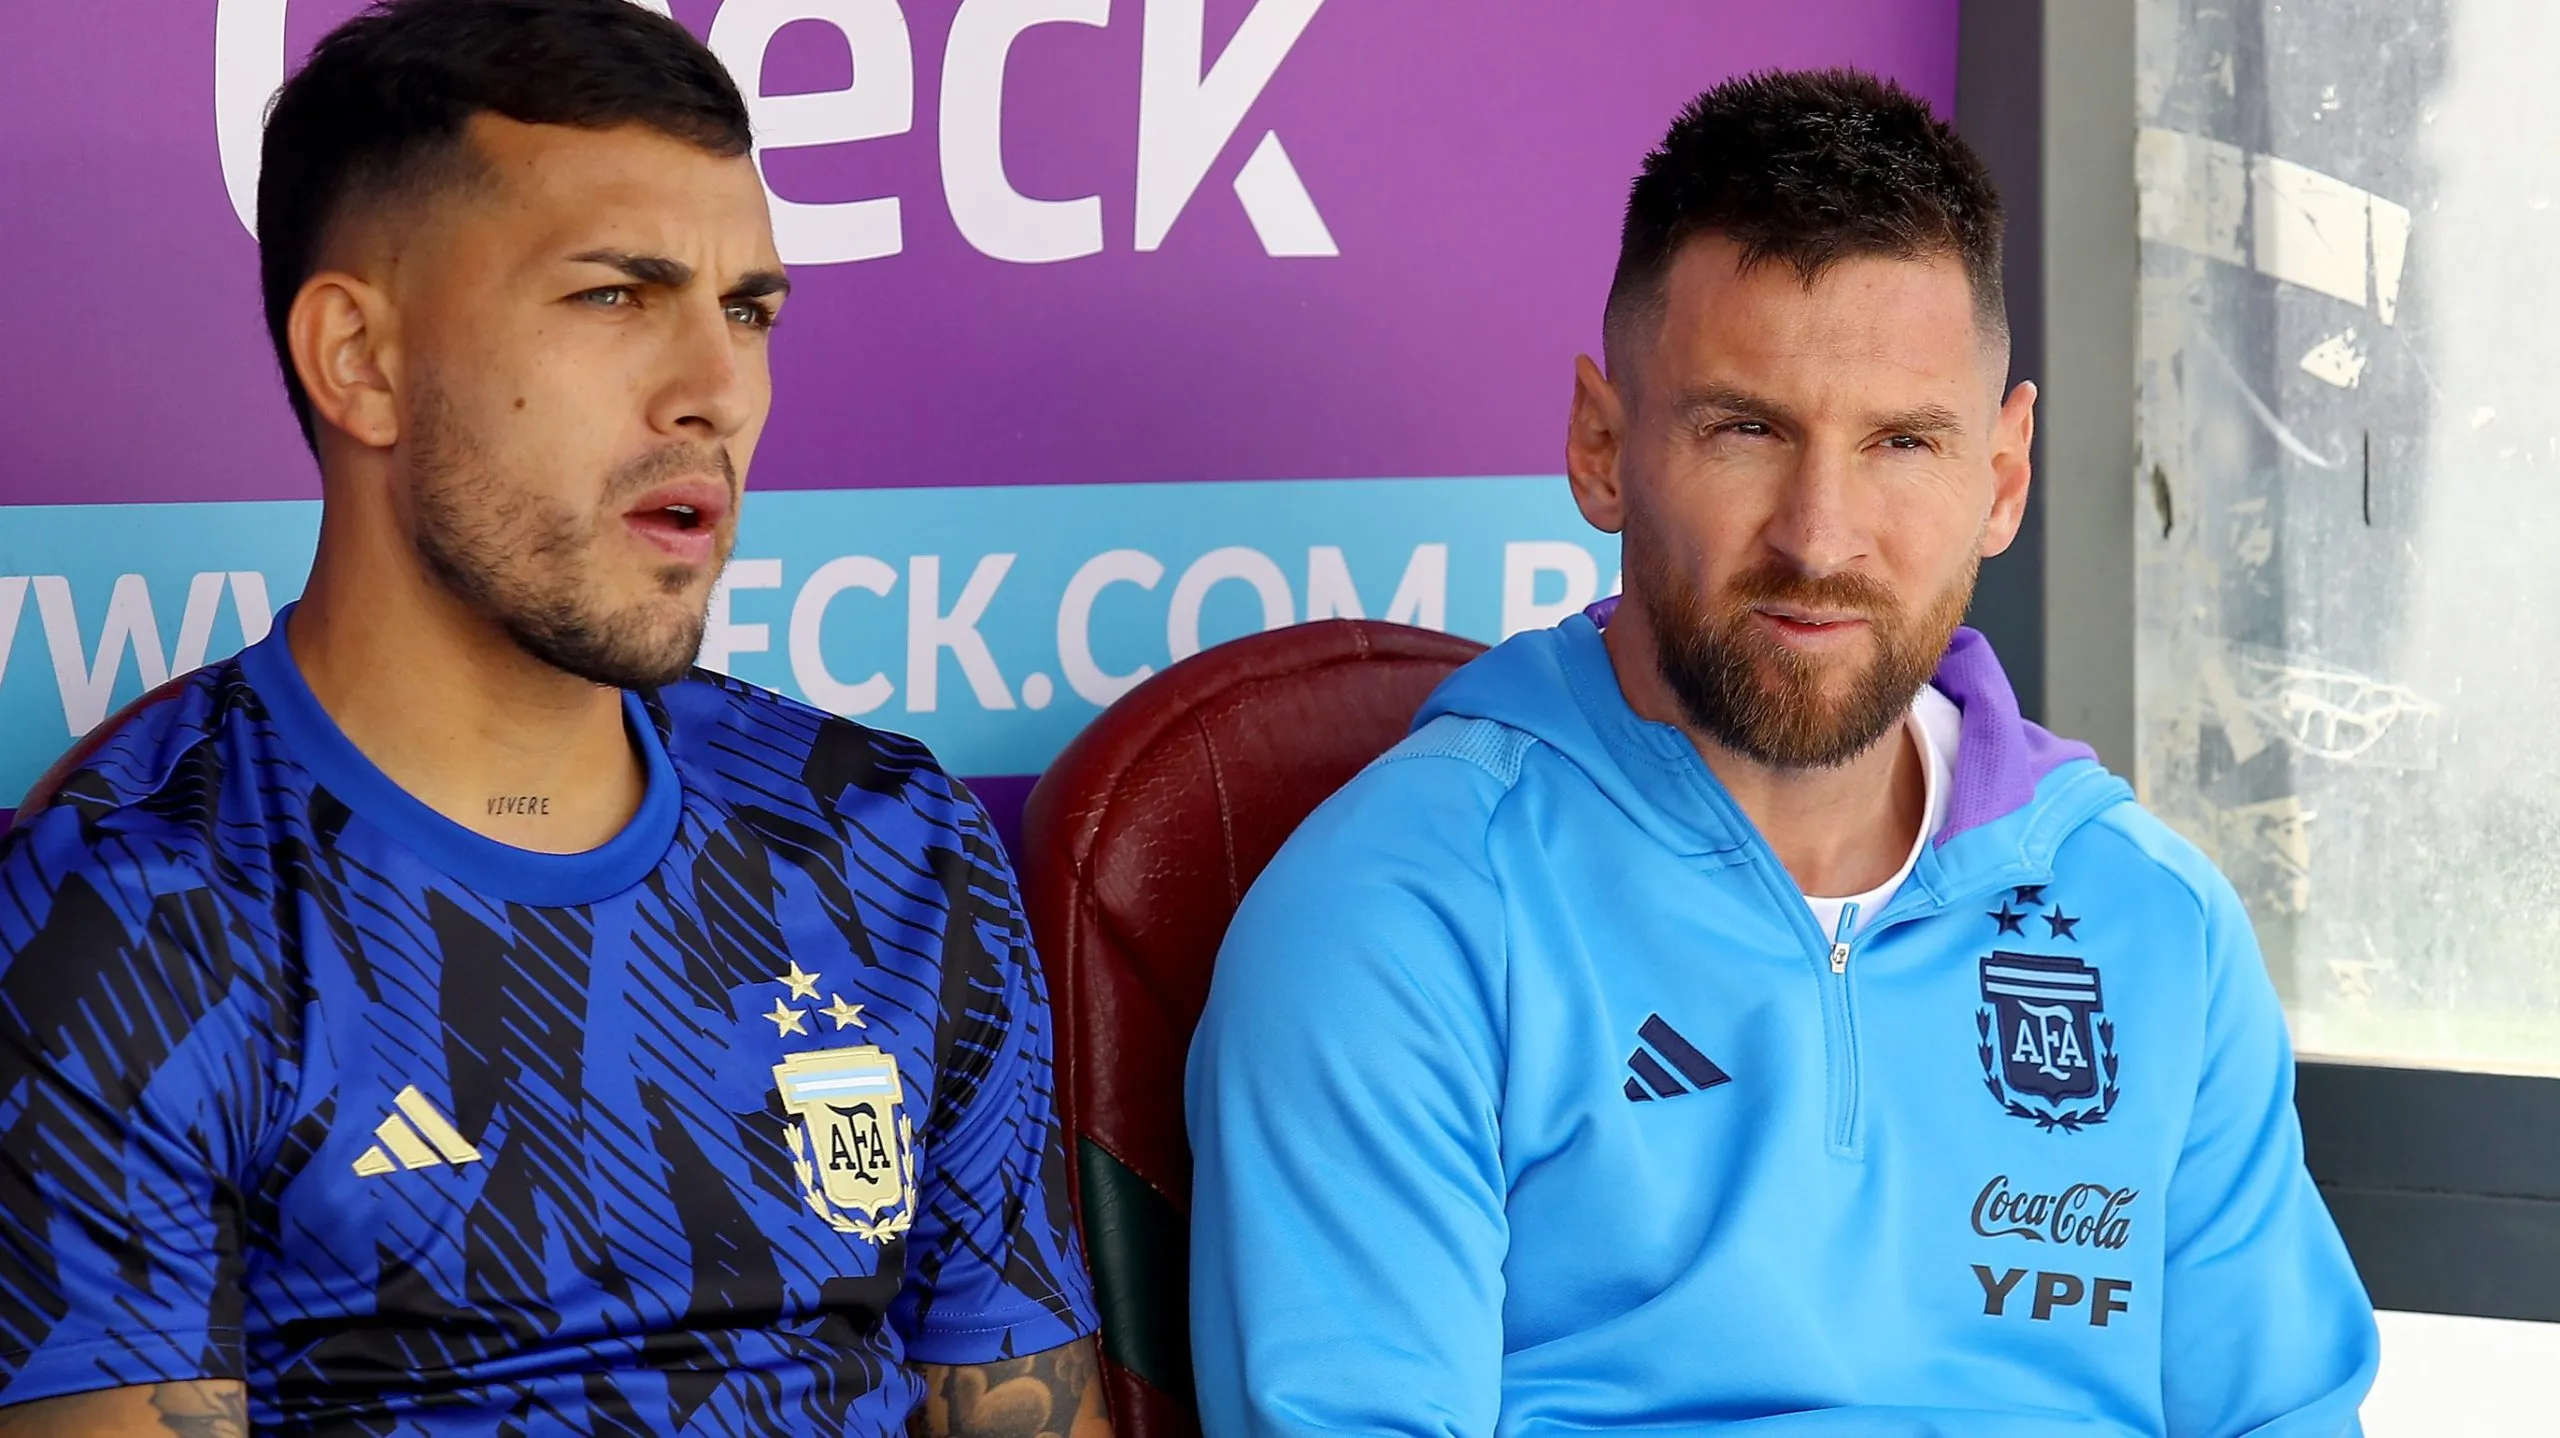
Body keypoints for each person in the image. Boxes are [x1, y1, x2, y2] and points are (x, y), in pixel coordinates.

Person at [1187, 69, 2378, 1437]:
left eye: (1902, 442)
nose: (1820, 535)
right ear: (1603, 447)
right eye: (1747, 430)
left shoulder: (2155, 921)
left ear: (2001, 479)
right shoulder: (1402, 915)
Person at [0, 2, 1107, 1434]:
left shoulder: (891, 838)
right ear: (361, 359)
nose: (719, 392)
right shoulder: (131, 912)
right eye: (615, 297)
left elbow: (1018, 1399)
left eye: (748, 311)